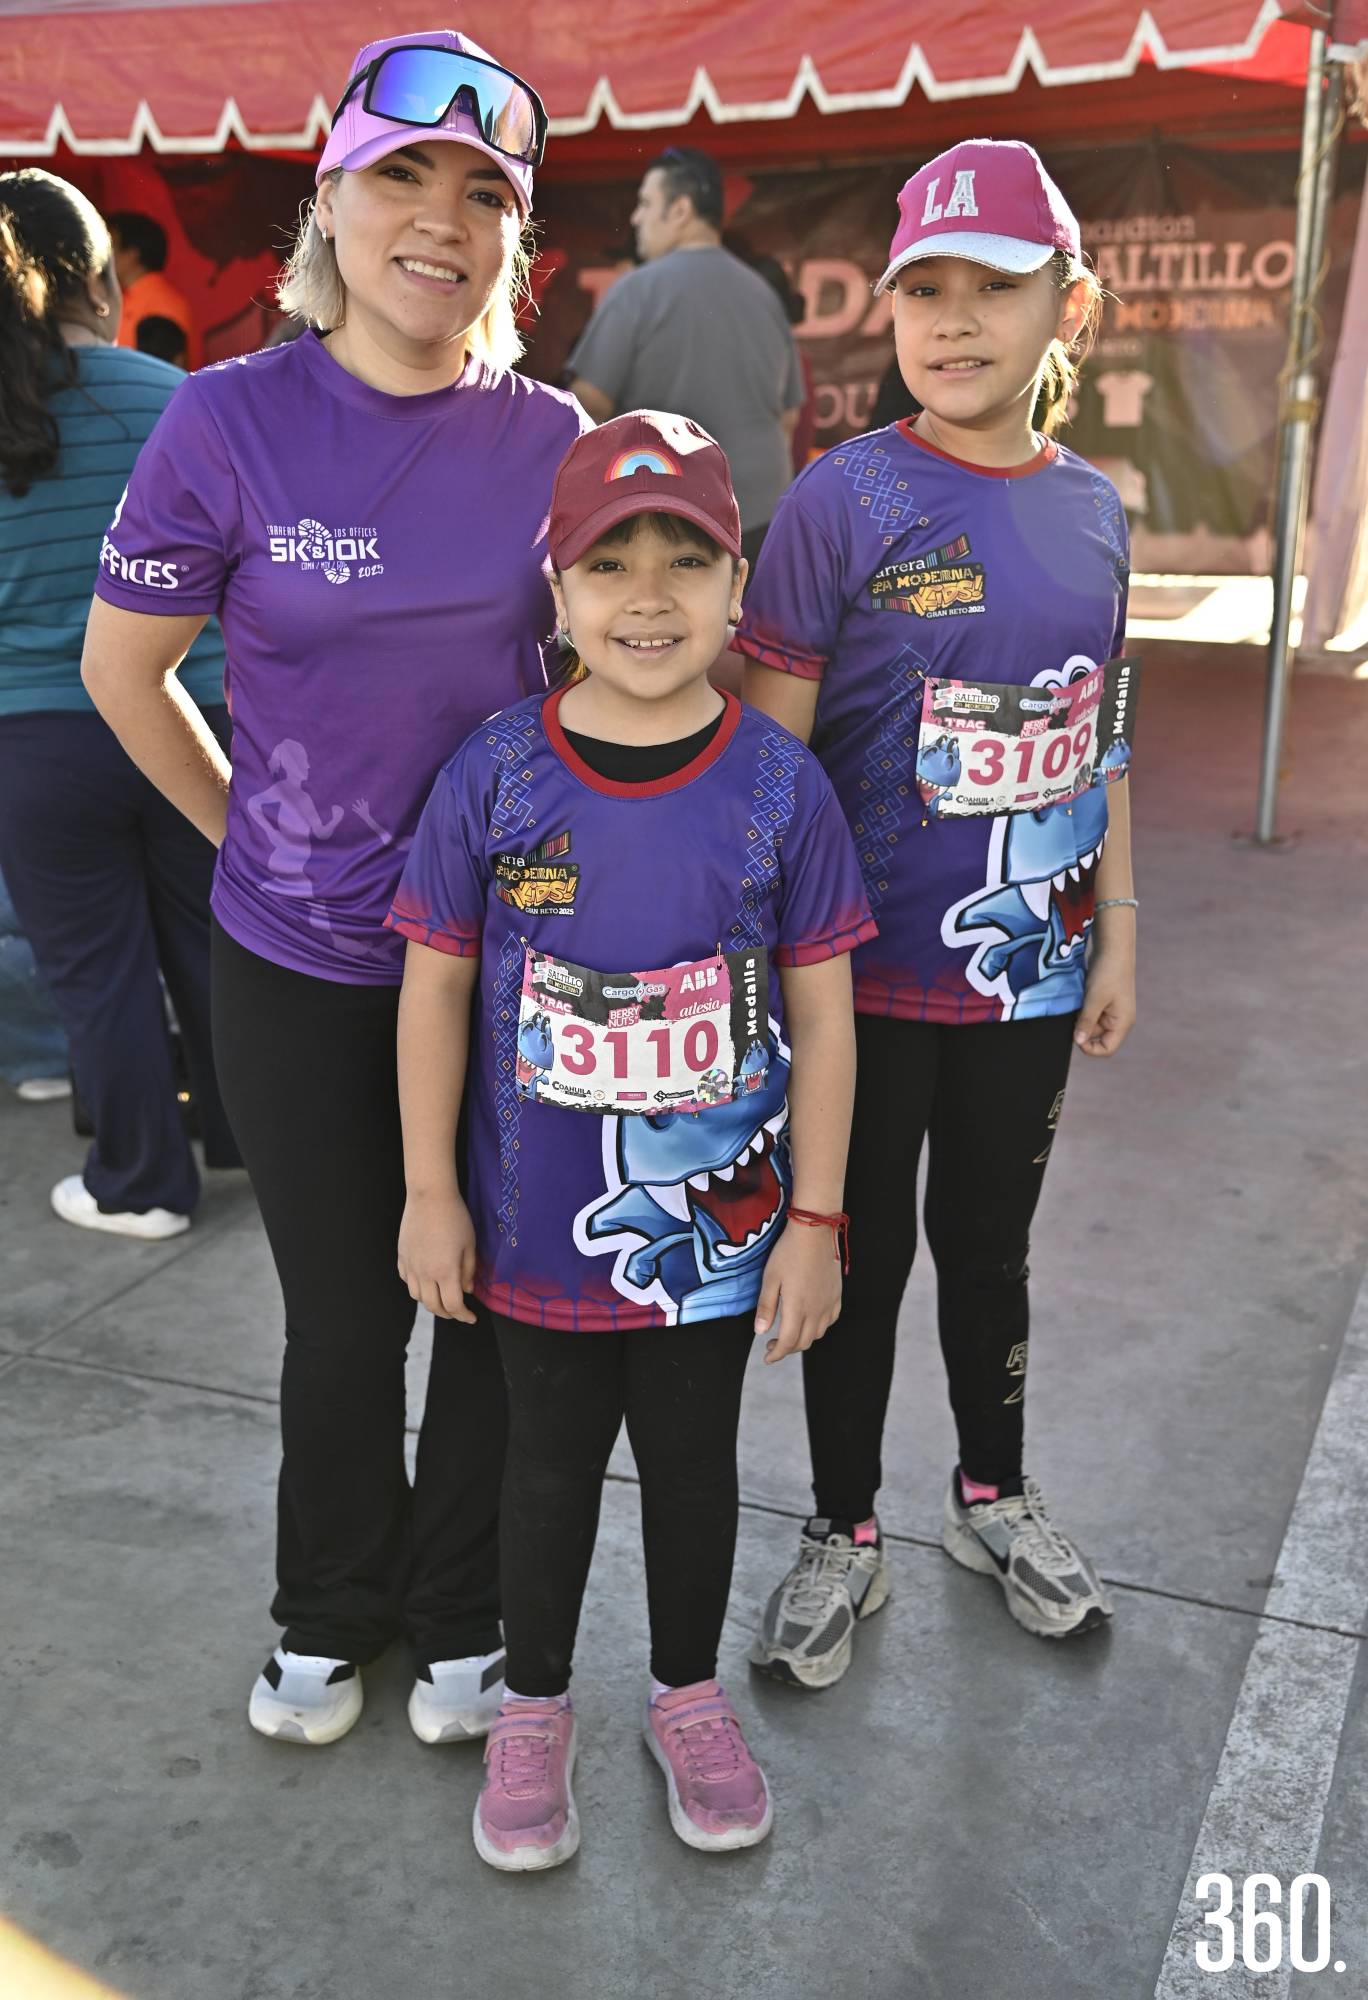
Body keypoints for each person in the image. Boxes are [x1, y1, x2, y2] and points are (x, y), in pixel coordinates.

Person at [80, 28, 589, 1745]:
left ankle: (460, 1614)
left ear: (511, 240)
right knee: (345, 1315)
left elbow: (611, 689)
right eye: (402, 176)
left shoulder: (551, 439)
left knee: (495, 1308)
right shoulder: (226, 422)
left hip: (513, 973)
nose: (437, 220)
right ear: (332, 199)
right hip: (295, 965)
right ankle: (327, 1610)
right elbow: (122, 671)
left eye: (481, 194)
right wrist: (252, 840)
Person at [388, 411, 875, 1869]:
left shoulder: (782, 788)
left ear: (741, 591)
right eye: (610, 562)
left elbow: (830, 1021)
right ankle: (534, 1707)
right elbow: (437, 988)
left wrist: (817, 1219)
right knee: (541, 1468)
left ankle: (684, 1693)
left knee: (692, 1462)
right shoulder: (494, 772)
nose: (649, 597)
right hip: (534, 1228)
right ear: (557, 589)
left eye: (687, 559)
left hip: (714, 1249)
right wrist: (428, 1191)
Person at [735, 139, 1137, 1686]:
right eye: (927, 291)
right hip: (856, 988)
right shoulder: (846, 498)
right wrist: (764, 971)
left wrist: (1123, 924)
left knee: (989, 1243)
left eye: (995, 289)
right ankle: (843, 1529)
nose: (956, 321)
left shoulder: (1095, 509)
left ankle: (993, 1493)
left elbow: (1100, 731)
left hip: (1028, 977)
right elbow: (765, 765)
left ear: (1070, 310)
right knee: (856, 1257)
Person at [0, 169, 236, 1237]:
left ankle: (140, 1183)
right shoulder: (180, 399)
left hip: (35, 743)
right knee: (217, 946)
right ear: (103, 278)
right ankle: (251, 1140)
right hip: (196, 717)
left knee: (99, 975)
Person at [565, 147, 804, 568]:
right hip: (763, 522)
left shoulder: (635, 290)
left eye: (644, 203)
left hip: (674, 526)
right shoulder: (763, 294)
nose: (636, 218)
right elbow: (788, 416)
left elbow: (585, 408)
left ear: (680, 210)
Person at [109, 211, 200, 368]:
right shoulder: (121, 298)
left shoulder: (164, 304)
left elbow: (166, 376)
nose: (105, 256)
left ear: (132, 254)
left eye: (111, 247)